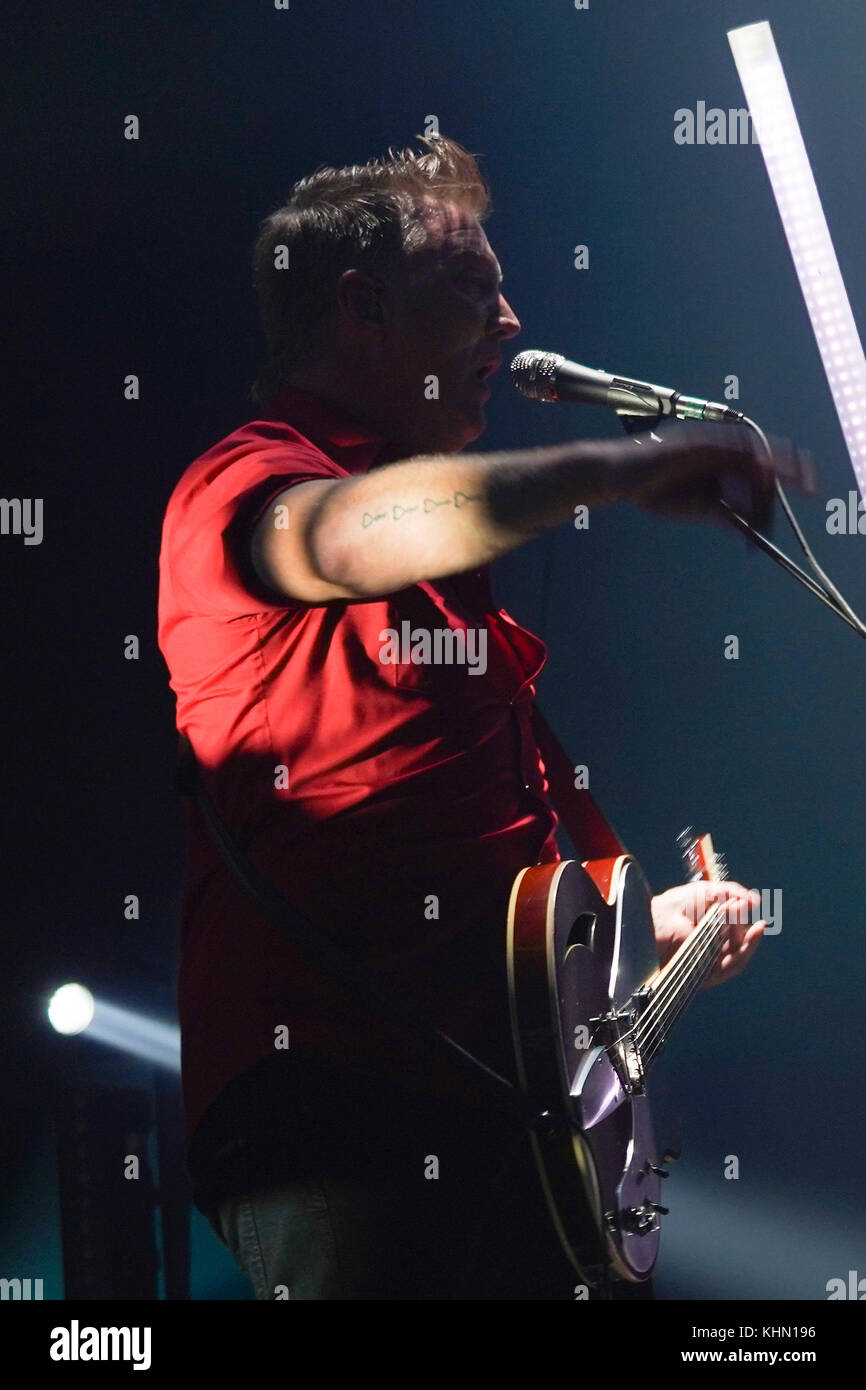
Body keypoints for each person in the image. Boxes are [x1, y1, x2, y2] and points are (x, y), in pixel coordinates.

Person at [157, 135, 804, 1300]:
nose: (510, 322)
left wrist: (642, 940)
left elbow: (484, 918)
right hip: (348, 1115)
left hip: (504, 1121)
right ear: (361, 304)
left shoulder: (448, 569)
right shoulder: (245, 478)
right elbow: (345, 533)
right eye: (472, 287)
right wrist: (605, 473)